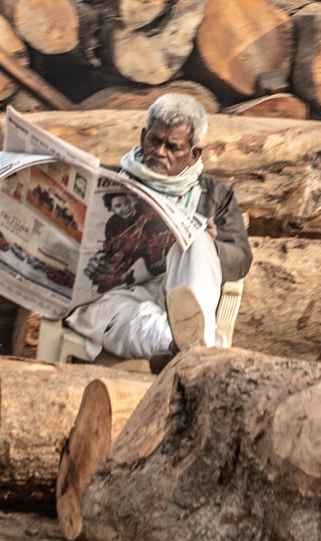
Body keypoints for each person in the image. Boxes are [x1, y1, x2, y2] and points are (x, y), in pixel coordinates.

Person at [65, 94, 251, 366]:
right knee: (142, 322)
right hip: (116, 296)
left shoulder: (215, 194)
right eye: (154, 140)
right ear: (143, 137)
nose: (160, 152)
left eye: (173, 146)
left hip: (179, 290)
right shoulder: (110, 181)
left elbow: (241, 259)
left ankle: (190, 336)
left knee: (197, 240)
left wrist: (212, 244)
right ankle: (188, 349)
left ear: (194, 153)